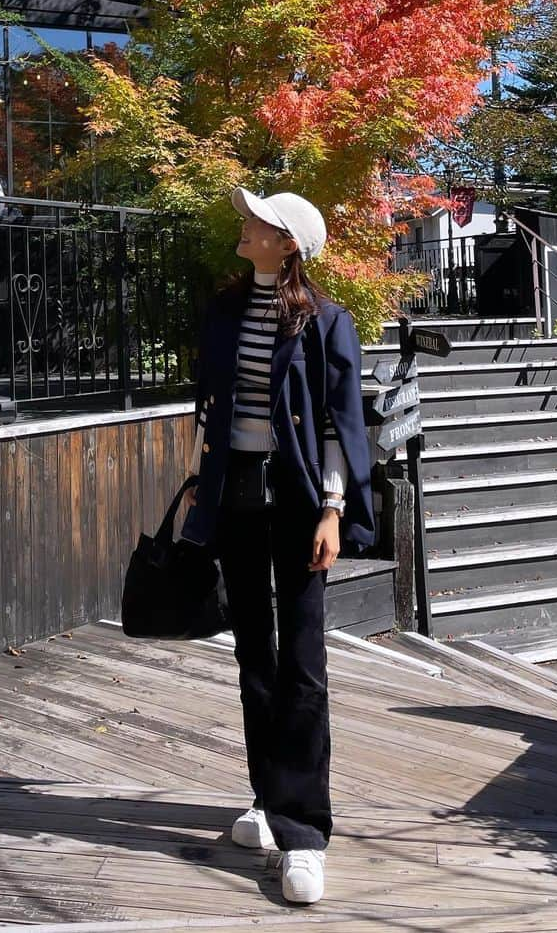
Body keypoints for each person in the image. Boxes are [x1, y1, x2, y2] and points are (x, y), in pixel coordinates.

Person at [175, 186, 375, 905]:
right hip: (234, 496)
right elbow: (216, 406)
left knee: (304, 660)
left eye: (257, 219)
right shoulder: (226, 310)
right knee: (252, 651)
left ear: (286, 241)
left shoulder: (326, 322)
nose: (244, 222)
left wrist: (332, 505)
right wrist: (203, 476)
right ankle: (268, 796)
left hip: (297, 503)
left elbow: (337, 424)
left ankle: (306, 832)